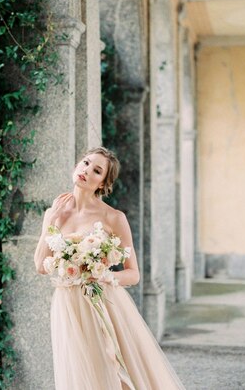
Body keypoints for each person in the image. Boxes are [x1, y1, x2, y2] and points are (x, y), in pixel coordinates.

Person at [34, 147, 185, 390]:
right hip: (67, 305)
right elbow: (41, 266)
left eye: (96, 171)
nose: (86, 171)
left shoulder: (113, 217)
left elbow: (133, 273)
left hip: (102, 302)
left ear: (103, 183)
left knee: (111, 370)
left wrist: (103, 275)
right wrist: (48, 224)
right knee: (79, 374)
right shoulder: (55, 212)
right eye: (85, 163)